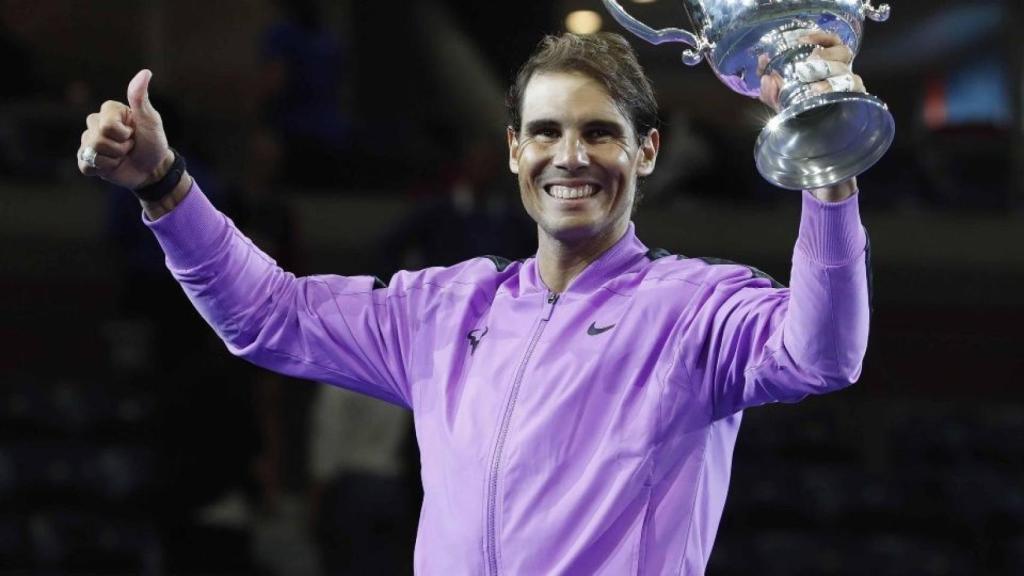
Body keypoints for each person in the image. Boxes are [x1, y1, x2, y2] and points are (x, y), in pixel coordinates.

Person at [77, 32, 871, 575]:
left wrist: (829, 168)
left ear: (646, 150)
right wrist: (164, 185)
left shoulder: (696, 308)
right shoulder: (446, 310)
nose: (571, 157)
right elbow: (269, 318)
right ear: (514, 151)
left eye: (600, 133)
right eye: (547, 132)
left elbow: (821, 352)